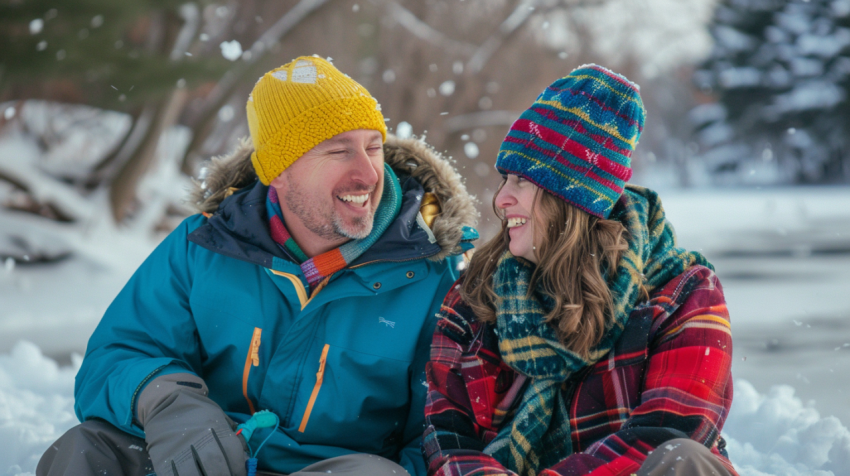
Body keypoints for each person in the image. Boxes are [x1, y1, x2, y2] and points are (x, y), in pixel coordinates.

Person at [37, 56, 478, 476]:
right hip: (195, 459)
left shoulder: (434, 274)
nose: (367, 173)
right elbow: (115, 355)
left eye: (373, 146)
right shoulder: (204, 244)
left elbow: (443, 433)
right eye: (338, 151)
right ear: (279, 171)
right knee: (87, 448)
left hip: (338, 467)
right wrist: (168, 403)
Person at [422, 65, 737, 476]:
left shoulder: (684, 294)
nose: (501, 200)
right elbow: (445, 436)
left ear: (570, 196)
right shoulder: (475, 296)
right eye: (505, 179)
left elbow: (669, 431)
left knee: (685, 459)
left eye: (521, 180)